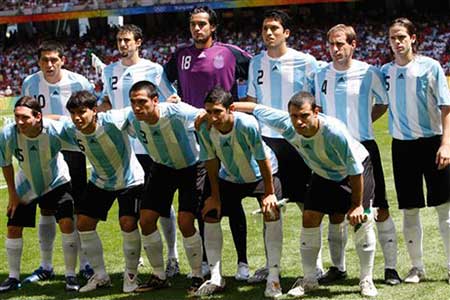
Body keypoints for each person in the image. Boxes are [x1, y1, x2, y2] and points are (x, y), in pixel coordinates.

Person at [233, 91, 379, 297]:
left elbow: (355, 170)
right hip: (322, 172)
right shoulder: (286, 123)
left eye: (304, 116)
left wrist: (356, 205)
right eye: (294, 116)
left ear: (316, 112)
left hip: (354, 171)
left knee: (362, 220)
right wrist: (222, 110)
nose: (299, 122)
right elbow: (255, 109)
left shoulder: (334, 132)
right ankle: (310, 279)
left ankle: (366, 280)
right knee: (309, 217)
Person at [165, 6, 252, 280]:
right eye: (193, 24)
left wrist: (243, 103)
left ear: (213, 27)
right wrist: (173, 98)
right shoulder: (180, 55)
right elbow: (163, 79)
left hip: (227, 132)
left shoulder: (231, 52)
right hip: (194, 136)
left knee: (234, 201)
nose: (197, 29)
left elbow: (258, 70)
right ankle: (204, 260)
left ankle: (242, 263)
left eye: (202, 24)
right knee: (204, 199)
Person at [314, 24, 401, 285]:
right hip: (332, 150)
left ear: (353, 45)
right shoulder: (320, 75)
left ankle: (391, 268)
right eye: (331, 44)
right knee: (335, 211)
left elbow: (383, 103)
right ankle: (338, 267)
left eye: (340, 43)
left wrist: (363, 122)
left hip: (364, 147)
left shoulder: (369, 73)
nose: (335, 49)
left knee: (379, 207)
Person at [99, 24, 181, 280]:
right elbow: (107, 101)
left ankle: (173, 256)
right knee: (131, 206)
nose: (122, 45)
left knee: (162, 203)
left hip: (150, 146)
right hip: (121, 148)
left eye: (127, 40)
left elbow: (171, 99)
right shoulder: (110, 71)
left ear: (138, 42)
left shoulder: (153, 69)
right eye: (119, 40)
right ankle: (140, 254)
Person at [245, 9, 321, 283]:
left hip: (298, 141)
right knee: (270, 203)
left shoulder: (306, 61)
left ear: (286, 32)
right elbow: (252, 100)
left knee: (306, 203)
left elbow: (316, 104)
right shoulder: (256, 62)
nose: (269, 32)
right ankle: (270, 264)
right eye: (266, 28)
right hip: (266, 141)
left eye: (275, 28)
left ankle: (317, 265)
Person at [117, 81, 206, 294]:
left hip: (191, 166)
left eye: (142, 102)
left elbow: (203, 115)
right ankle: (159, 275)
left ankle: (197, 275)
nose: (137, 107)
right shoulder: (132, 119)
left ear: (155, 101)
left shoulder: (176, 112)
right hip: (162, 168)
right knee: (146, 220)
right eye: (133, 102)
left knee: (186, 222)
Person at [195, 86, 283, 298]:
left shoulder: (247, 124)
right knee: (210, 213)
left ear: (231, 109)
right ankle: (216, 277)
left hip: (261, 174)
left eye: (218, 111)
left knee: (272, 213)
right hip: (231, 175)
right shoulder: (205, 128)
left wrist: (269, 194)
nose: (213, 117)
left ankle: (273, 277)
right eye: (209, 111)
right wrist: (215, 197)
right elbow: (211, 162)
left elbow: (263, 161)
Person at [54, 90, 145, 293]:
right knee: (84, 223)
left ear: (94, 111)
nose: (77, 118)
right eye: (73, 113)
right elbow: (52, 120)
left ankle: (131, 277)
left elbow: (137, 110)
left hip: (130, 180)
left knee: (127, 222)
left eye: (82, 112)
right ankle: (101, 276)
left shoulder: (113, 120)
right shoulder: (70, 128)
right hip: (101, 181)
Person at [381, 17, 450, 284]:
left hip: (433, 144)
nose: (397, 42)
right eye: (392, 38)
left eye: (401, 37)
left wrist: (446, 144)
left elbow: (446, 107)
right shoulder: (385, 71)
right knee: (410, 209)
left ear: (413, 38)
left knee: (444, 208)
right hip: (402, 148)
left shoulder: (430, 67)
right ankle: (416, 267)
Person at [20, 40, 93, 283]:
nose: (49, 65)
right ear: (38, 62)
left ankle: (85, 263)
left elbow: (90, 113)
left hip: (74, 150)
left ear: (63, 60)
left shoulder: (79, 82)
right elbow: (24, 114)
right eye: (44, 60)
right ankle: (46, 266)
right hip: (43, 150)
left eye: (54, 60)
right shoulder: (30, 83)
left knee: (78, 207)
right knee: (47, 208)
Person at [0, 96, 78, 292]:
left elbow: (79, 133)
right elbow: (6, 162)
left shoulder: (54, 130)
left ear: (38, 116)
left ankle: (70, 275)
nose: (19, 122)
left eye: (24, 118)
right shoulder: (8, 133)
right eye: (17, 117)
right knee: (13, 227)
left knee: (67, 223)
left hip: (56, 180)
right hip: (26, 183)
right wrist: (12, 195)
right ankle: (13, 277)